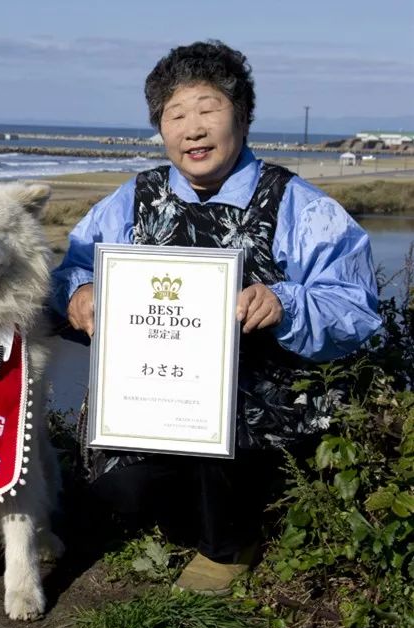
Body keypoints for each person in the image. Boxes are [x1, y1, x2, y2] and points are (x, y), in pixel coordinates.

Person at [50, 40, 381, 595]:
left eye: (209, 109)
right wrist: (79, 292)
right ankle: (201, 513)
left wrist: (285, 304)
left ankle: (230, 545)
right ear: (161, 129)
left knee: (223, 433)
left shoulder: (300, 205)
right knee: (119, 493)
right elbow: (71, 268)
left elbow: (357, 310)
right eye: (175, 115)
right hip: (154, 395)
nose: (193, 129)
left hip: (259, 402)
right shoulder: (131, 200)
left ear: (242, 117)